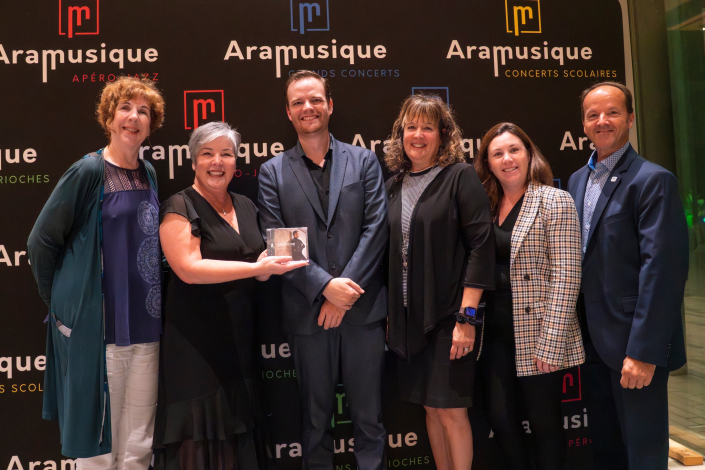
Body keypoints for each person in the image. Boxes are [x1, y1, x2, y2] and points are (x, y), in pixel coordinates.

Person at [27, 76, 165, 469]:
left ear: (151, 124)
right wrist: (64, 304)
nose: (134, 117)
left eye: (143, 111)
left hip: (146, 326)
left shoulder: (149, 172)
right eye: (125, 108)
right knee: (99, 449)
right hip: (100, 329)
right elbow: (41, 241)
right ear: (108, 118)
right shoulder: (88, 171)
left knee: (139, 444)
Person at [153, 121, 307, 470]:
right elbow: (188, 269)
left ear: (236, 161)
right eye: (207, 154)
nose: (217, 162)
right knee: (199, 446)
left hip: (238, 345)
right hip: (194, 347)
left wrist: (267, 269)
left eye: (226, 154)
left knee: (235, 446)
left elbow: (255, 265)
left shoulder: (246, 205)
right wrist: (255, 269)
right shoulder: (179, 205)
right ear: (193, 161)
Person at [257, 70, 388, 470]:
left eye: (315, 99)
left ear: (330, 105)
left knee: (369, 420)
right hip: (308, 314)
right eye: (298, 102)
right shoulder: (273, 171)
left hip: (362, 311)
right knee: (315, 424)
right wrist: (325, 288)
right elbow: (280, 243)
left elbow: (376, 229)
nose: (307, 108)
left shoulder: (363, 160)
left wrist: (343, 295)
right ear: (288, 112)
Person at [567, 82, 689, 470]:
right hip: (592, 343)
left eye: (613, 112)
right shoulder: (576, 180)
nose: (602, 121)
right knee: (607, 450)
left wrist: (644, 352)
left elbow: (663, 271)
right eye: (593, 115)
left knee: (643, 453)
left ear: (631, 119)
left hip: (634, 347)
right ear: (583, 125)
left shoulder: (652, 179)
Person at [384, 94, 494, 470]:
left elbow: (481, 247)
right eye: (411, 127)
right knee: (431, 409)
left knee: (450, 411)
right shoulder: (394, 184)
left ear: (443, 135)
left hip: (449, 317)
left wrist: (467, 318)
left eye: (427, 128)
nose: (417, 135)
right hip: (409, 320)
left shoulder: (459, 177)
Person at [474, 122, 585, 470]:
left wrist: (551, 343)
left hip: (538, 335)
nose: (507, 159)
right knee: (500, 419)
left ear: (528, 153)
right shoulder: (484, 205)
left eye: (514, 150)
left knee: (544, 422)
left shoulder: (555, 200)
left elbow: (567, 276)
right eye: (497, 154)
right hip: (493, 335)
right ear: (488, 163)